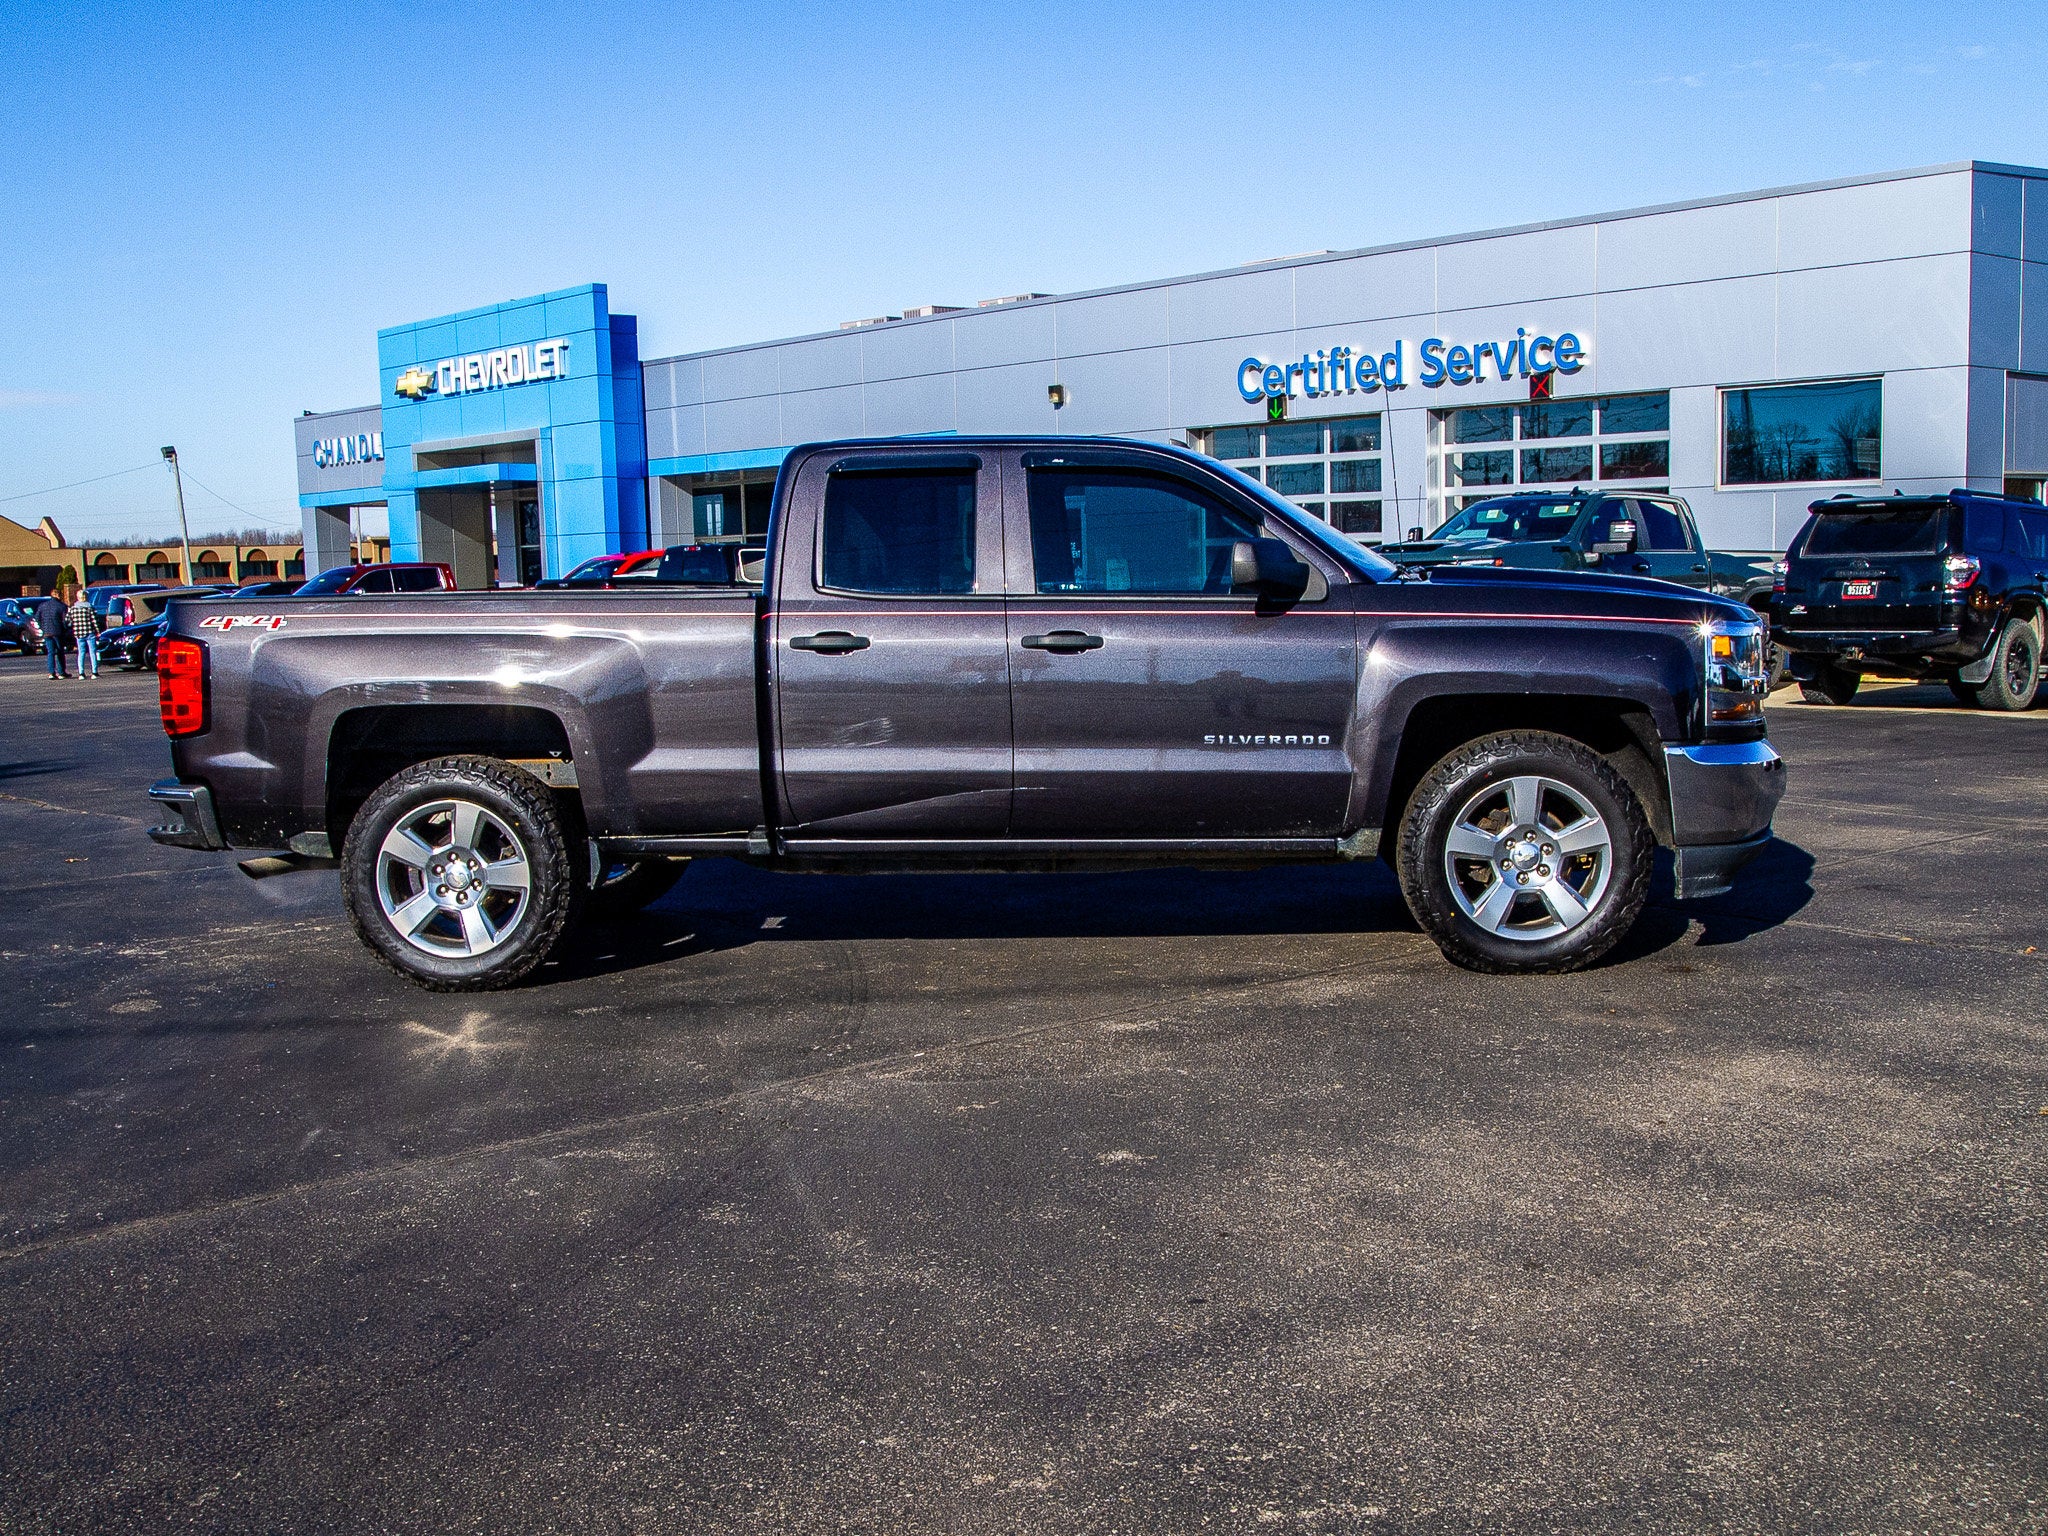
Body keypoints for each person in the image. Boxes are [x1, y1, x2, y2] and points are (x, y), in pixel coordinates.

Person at [30, 586, 69, 679]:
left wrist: (42, 627)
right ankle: (61, 672)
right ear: (59, 595)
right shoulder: (62, 606)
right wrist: (65, 628)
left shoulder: (42, 606)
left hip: (47, 632)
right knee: (60, 652)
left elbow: (36, 618)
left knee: (50, 652)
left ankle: (51, 672)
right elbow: (64, 621)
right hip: (58, 632)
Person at [66, 582, 101, 679]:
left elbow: (68, 621)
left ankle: (81, 673)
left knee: (81, 653)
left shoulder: (73, 609)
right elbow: (94, 621)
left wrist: (73, 626)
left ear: (78, 597)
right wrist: (98, 631)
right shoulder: (89, 608)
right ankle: (94, 672)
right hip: (90, 632)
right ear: (85, 597)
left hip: (78, 633)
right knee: (92, 652)